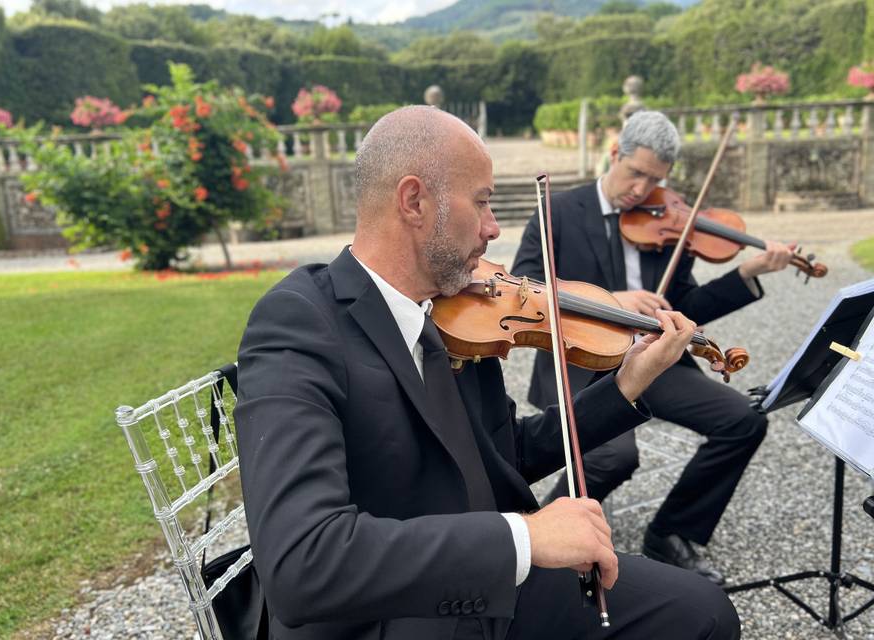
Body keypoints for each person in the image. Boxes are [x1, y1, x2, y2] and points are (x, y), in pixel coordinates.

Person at [235, 105, 741, 640]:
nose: (493, 228)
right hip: (389, 616)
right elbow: (302, 563)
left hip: (487, 585)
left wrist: (626, 384)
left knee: (703, 612)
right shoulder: (298, 322)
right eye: (481, 202)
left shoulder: (454, 311)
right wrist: (525, 539)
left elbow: (507, 455)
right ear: (414, 201)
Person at [512, 110, 796, 586]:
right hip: (582, 359)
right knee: (612, 456)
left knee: (744, 421)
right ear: (614, 153)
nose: (642, 190)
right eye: (636, 173)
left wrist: (747, 275)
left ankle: (671, 533)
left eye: (655, 179)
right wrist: (608, 300)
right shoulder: (559, 210)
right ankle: (543, 534)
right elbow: (526, 284)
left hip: (654, 358)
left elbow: (683, 303)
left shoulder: (669, 220)